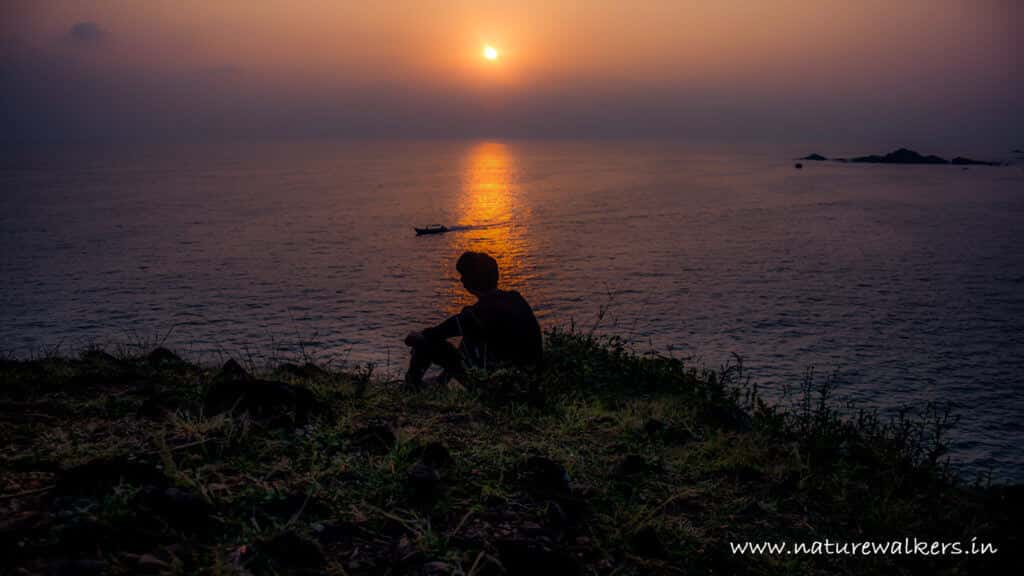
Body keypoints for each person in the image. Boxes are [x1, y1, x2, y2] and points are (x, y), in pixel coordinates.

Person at [404, 251, 542, 387]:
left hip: (497, 385)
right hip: (531, 381)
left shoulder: (475, 314)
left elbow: (435, 333)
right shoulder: (515, 298)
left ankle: (411, 386)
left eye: (463, 275)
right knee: (471, 335)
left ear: (470, 281)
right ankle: (442, 381)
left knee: (423, 340)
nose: (461, 280)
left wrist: (417, 338)